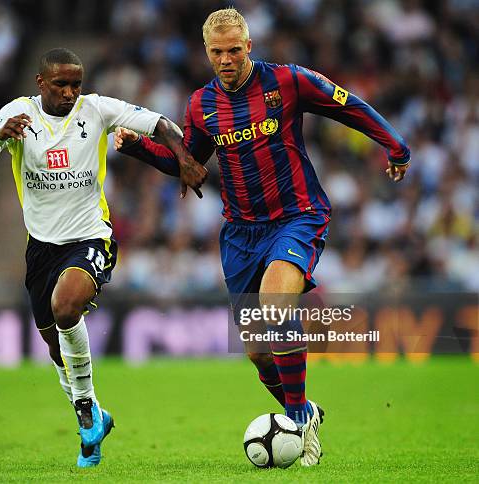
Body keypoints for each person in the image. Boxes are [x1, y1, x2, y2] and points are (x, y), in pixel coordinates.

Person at [114, 7, 410, 467]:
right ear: (207, 53)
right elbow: (187, 162)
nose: (227, 59)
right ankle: (305, 410)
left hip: (297, 215)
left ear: (249, 46)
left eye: (235, 50)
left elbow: (348, 104)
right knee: (257, 351)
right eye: (217, 52)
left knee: (276, 306)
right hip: (240, 233)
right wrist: (138, 147)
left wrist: (393, 143)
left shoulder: (288, 82)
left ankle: (297, 422)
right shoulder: (201, 105)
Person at [0, 48, 206, 468]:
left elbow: (161, 124)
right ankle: (93, 418)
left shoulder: (95, 109)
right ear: (41, 83)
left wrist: (184, 159)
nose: (69, 91)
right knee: (55, 346)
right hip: (41, 246)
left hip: (90, 237)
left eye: (75, 84)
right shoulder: (18, 114)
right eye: (60, 84)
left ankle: (83, 412)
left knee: (66, 307)